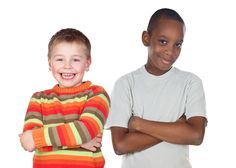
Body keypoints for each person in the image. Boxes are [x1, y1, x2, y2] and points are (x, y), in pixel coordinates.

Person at [105, 8, 207, 168]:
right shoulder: (125, 84)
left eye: (178, 44)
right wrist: (177, 128)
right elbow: (120, 145)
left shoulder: (191, 82)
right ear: (146, 38)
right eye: (163, 41)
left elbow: (195, 135)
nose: (170, 51)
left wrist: (139, 124)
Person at [19, 28, 110, 168]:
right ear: (50, 63)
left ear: (87, 63)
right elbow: (28, 143)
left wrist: (39, 138)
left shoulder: (97, 94)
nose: (67, 66)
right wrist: (79, 142)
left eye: (75, 59)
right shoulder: (38, 99)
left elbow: (85, 130)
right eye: (60, 59)